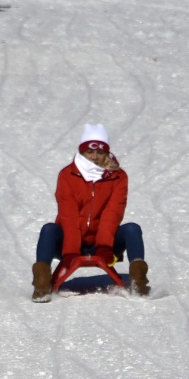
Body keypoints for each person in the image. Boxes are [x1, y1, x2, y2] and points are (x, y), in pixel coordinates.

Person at [32, 124, 148, 301]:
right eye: (89, 152)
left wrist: (104, 246)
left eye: (100, 153)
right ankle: (42, 284)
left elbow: (113, 212)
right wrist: (70, 251)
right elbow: (68, 214)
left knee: (132, 229)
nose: (94, 157)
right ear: (82, 152)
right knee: (49, 229)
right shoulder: (67, 175)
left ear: (106, 153)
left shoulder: (118, 177)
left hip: (106, 244)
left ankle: (138, 283)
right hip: (69, 244)